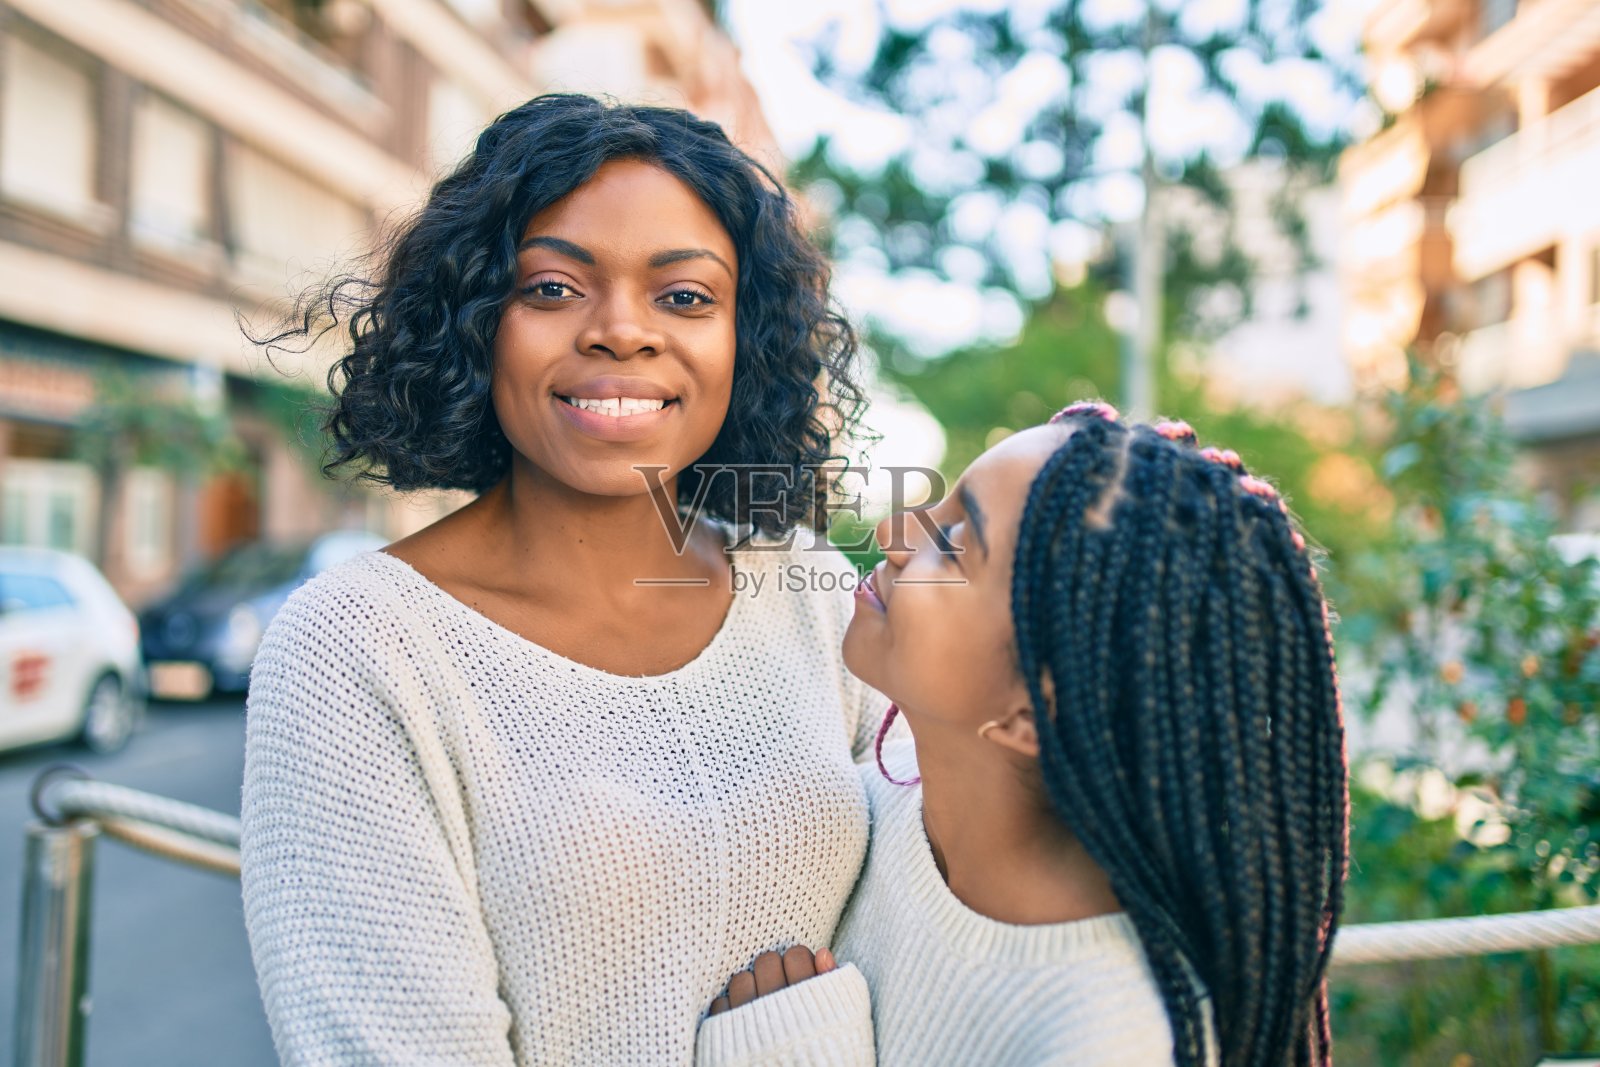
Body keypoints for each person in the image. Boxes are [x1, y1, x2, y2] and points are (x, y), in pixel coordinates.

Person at [239, 94, 887, 1065]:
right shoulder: (358, 646)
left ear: (740, 339)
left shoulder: (804, 584)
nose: (621, 331)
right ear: (473, 323)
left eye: (684, 296)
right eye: (551, 288)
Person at [698, 404, 1349, 1067]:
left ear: (1033, 714)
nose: (895, 532)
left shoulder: (1118, 1037)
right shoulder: (877, 797)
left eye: (952, 543)